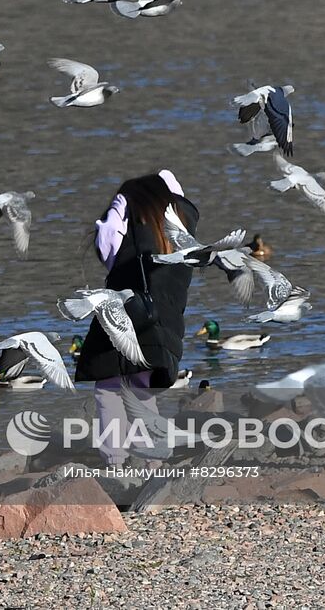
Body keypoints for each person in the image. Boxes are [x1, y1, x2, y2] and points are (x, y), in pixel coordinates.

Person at [75, 170, 197, 465]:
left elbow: (106, 241)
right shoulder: (180, 238)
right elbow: (171, 185)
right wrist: (166, 183)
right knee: (142, 391)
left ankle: (116, 462)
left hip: (125, 319)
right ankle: (152, 462)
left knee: (109, 390)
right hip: (162, 326)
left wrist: (120, 202)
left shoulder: (133, 246)